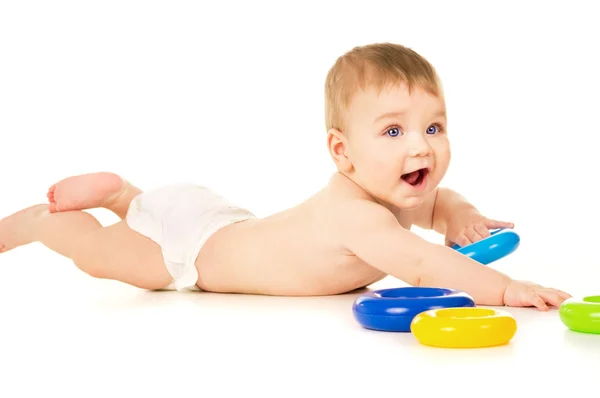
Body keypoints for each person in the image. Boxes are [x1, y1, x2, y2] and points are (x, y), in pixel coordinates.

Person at [0, 42, 570, 310]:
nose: (421, 147)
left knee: (142, 221)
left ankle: (128, 198)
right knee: (100, 255)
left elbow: (439, 203)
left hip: (217, 221)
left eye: (435, 127)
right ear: (341, 152)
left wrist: (463, 218)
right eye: (394, 132)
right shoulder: (356, 214)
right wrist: (505, 290)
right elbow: (422, 265)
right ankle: (36, 225)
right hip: (188, 253)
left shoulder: (387, 194)